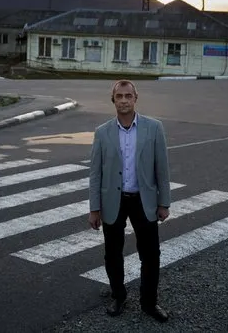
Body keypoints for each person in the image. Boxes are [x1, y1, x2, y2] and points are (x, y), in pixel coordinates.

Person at [88, 79, 171, 321]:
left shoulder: (154, 128)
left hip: (143, 200)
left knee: (150, 254)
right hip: (113, 201)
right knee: (112, 253)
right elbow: (95, 173)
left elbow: (162, 169)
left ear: (136, 98)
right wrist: (94, 209)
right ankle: (119, 296)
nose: (124, 100)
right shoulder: (102, 132)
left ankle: (149, 303)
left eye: (128, 96)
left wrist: (163, 203)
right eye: (119, 96)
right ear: (113, 100)